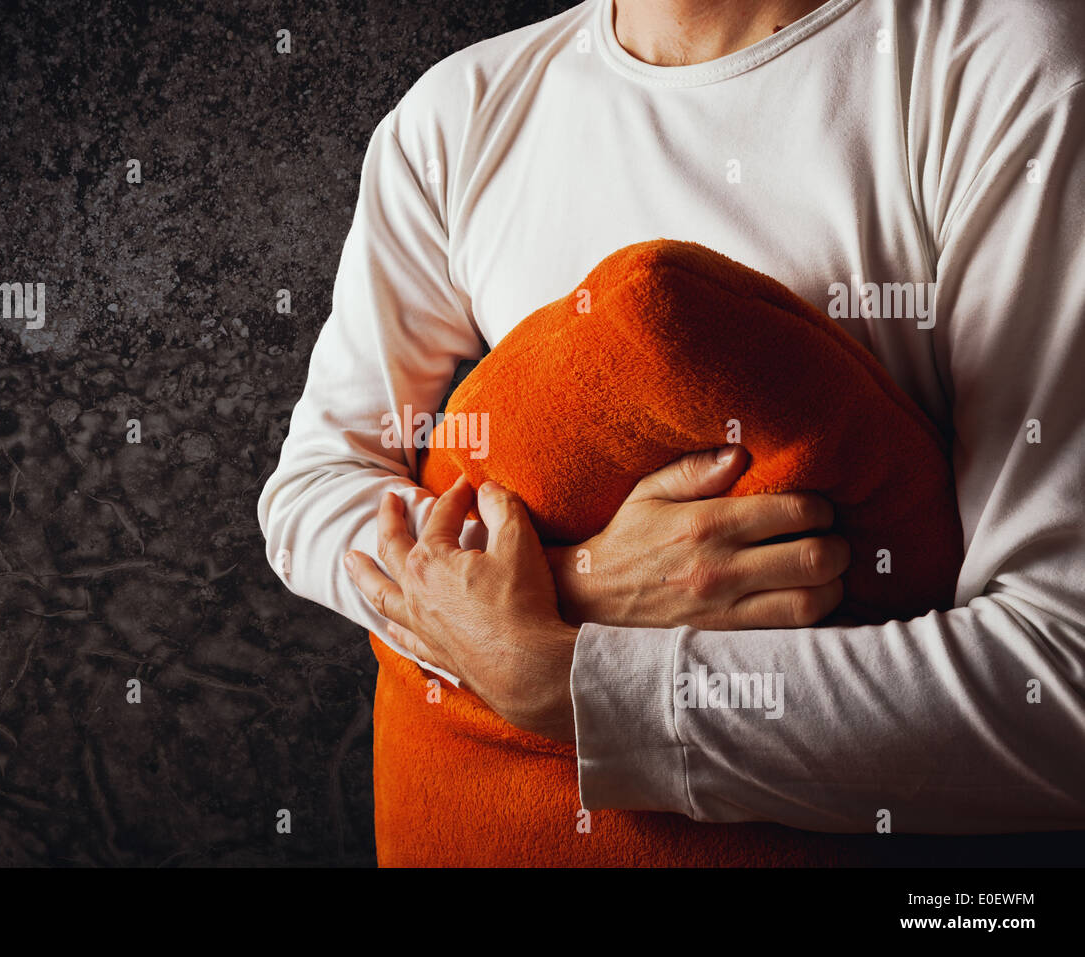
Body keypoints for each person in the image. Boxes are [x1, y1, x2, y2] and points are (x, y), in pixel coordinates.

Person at [258, 0, 1085, 832]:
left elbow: (1061, 684)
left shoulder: (1004, 62)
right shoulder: (454, 119)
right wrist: (563, 591)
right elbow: (311, 493)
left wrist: (583, 684)